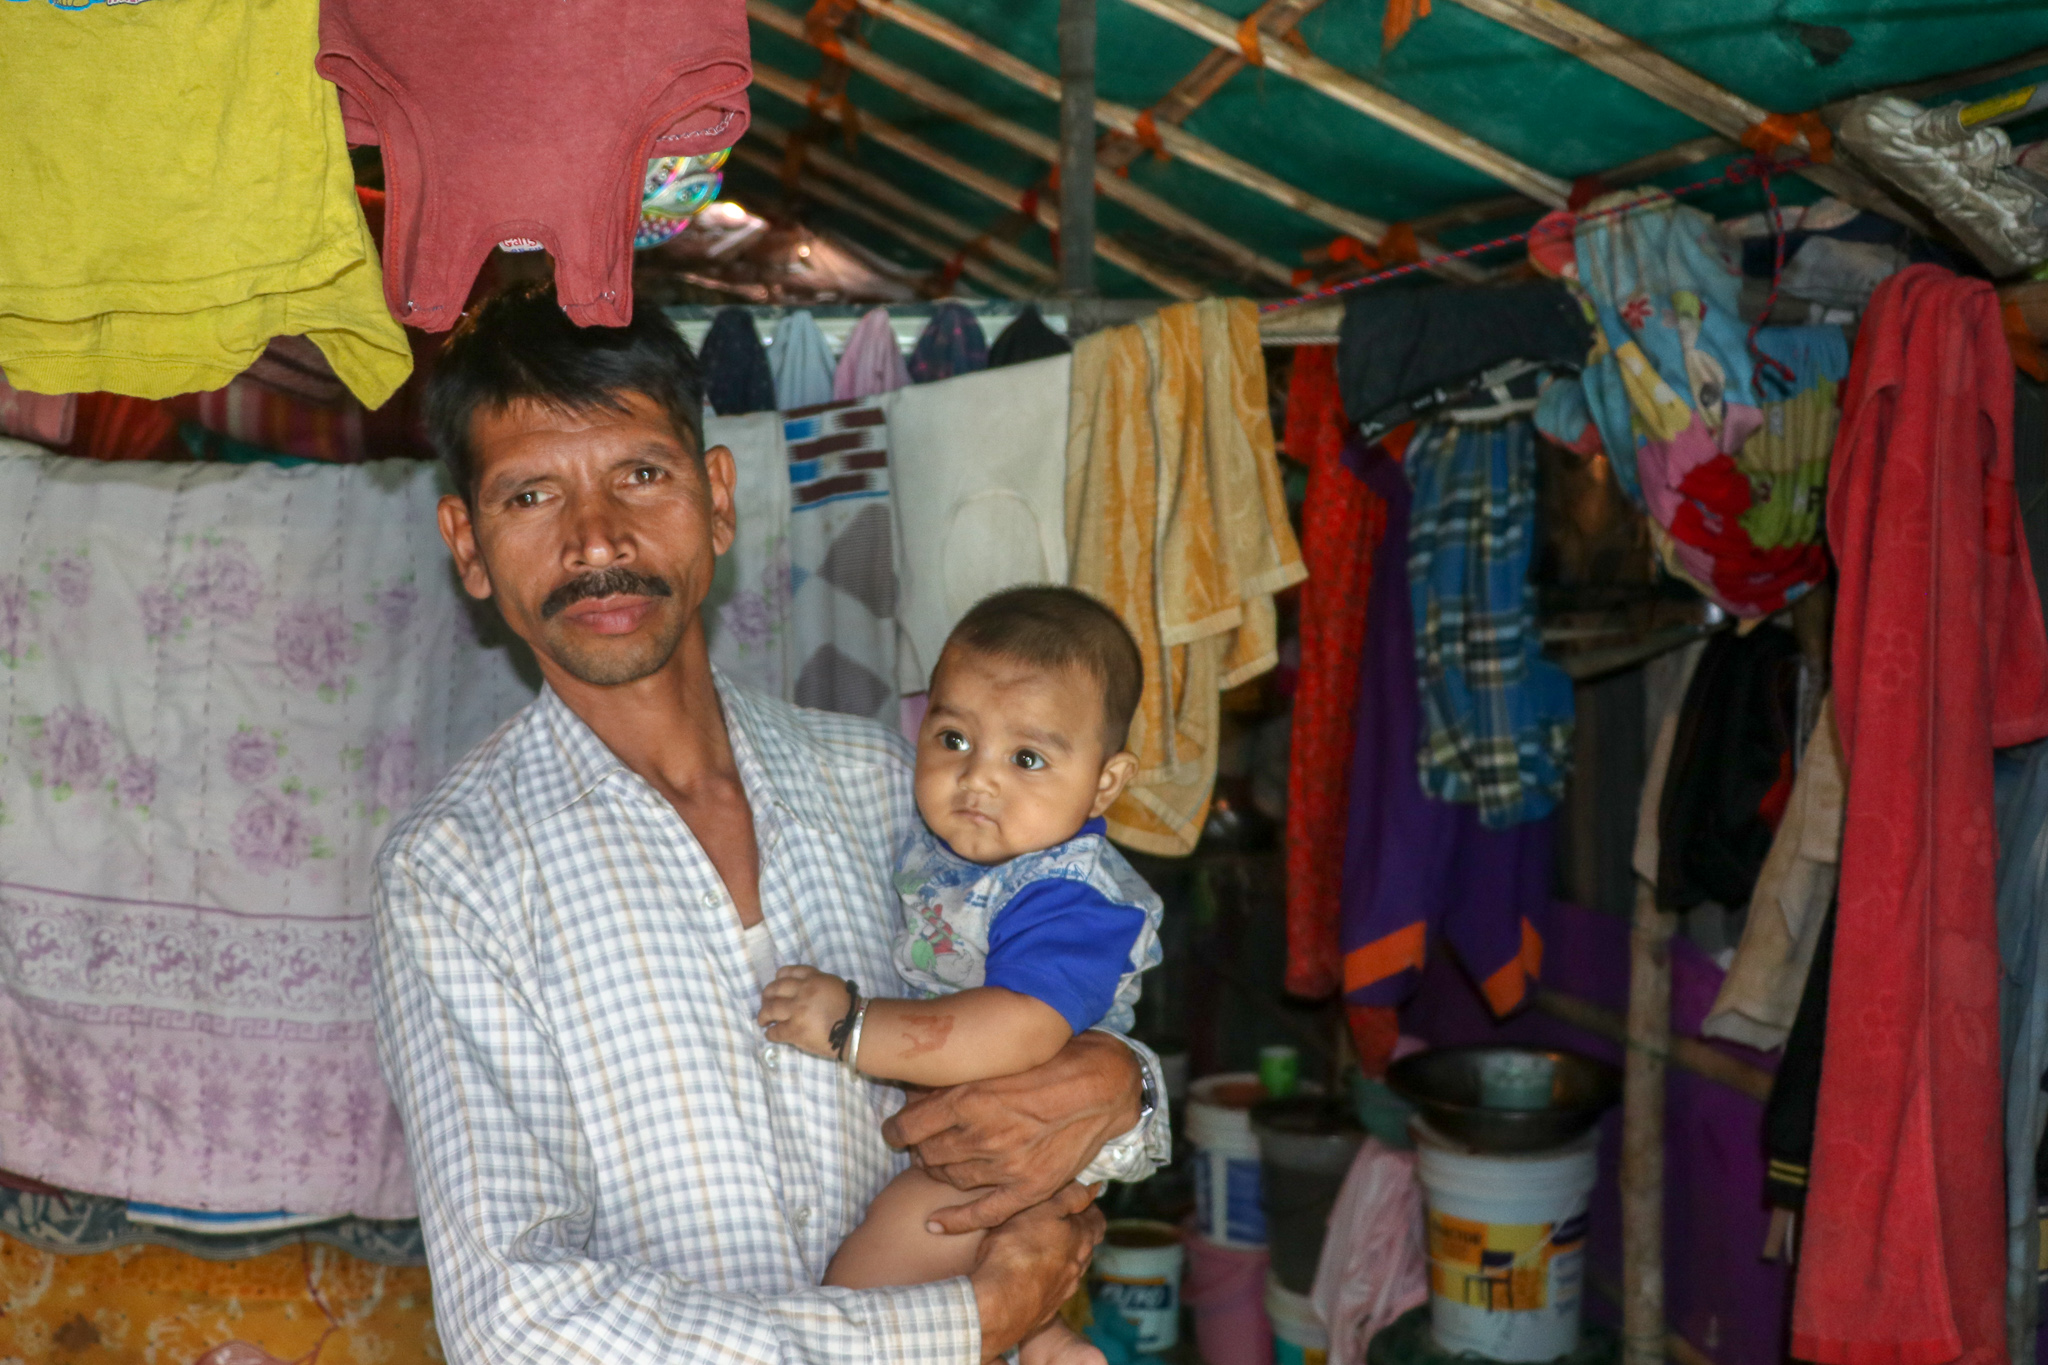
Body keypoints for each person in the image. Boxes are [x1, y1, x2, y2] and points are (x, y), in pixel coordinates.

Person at [372, 281, 1166, 1364]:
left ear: (718, 498)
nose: (596, 539)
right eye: (530, 497)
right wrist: (962, 1327)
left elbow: (1035, 990)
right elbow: (519, 1321)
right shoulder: (456, 872)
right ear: (466, 544)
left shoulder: (879, 780)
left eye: (640, 476)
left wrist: (1117, 1079)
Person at [759, 586, 1163, 1365]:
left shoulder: (1069, 895)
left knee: (890, 1251)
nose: (978, 779)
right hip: (969, 1128)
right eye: (953, 738)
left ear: (1106, 783)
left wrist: (852, 1024)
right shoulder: (944, 846)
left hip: (1019, 1136)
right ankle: (1046, 1341)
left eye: (1028, 758)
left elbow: (1018, 1025)